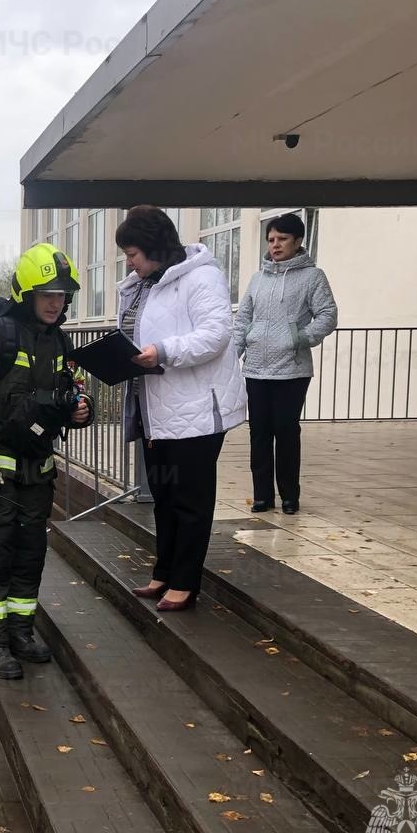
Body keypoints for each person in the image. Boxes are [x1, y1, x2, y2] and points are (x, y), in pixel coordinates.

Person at [0, 244, 93, 679]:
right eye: (47, 292)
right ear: (26, 294)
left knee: (30, 556)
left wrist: (81, 410)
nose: (55, 301)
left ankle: (20, 631)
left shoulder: (60, 342)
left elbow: (71, 394)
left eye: (62, 293)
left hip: (38, 474)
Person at [116, 206, 247, 612]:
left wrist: (164, 352)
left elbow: (215, 335)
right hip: (155, 409)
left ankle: (186, 581)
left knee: (190, 499)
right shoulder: (144, 284)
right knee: (163, 494)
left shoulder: (201, 277)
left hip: (196, 411)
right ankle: (164, 570)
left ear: (155, 247)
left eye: (133, 253)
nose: (128, 261)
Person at [233, 212, 337, 514]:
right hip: (255, 369)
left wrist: (298, 338)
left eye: (282, 239)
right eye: (271, 239)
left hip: (292, 370)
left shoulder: (313, 277)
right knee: (259, 432)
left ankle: (290, 495)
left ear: (298, 241)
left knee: (286, 431)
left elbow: (328, 316)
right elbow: (243, 321)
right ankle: (262, 496)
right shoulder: (257, 279)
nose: (275, 245)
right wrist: (234, 356)